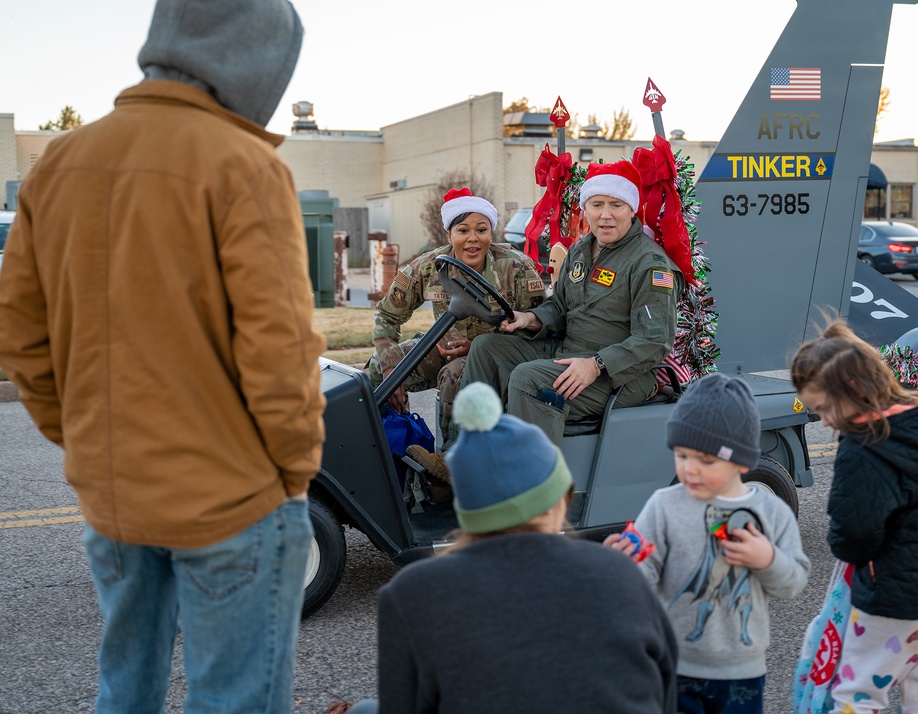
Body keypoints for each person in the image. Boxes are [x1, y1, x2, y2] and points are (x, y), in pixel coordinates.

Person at [0, 2, 326, 711]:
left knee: (124, 688)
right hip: (234, 500)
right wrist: (295, 471)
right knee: (233, 698)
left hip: (114, 493)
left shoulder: (59, 163)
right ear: (260, 60)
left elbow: (21, 337)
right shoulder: (243, 165)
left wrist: (85, 436)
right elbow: (279, 352)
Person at [348, 382, 678, 714]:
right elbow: (664, 687)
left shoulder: (409, 594)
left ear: (468, 512)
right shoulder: (620, 571)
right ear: (558, 503)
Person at [425, 160, 680, 480]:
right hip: (571, 352)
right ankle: (459, 457)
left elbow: (654, 341)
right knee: (487, 347)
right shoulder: (580, 252)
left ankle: (531, 489)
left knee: (528, 379)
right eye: (597, 204)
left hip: (621, 373)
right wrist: (530, 318)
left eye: (616, 204)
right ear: (585, 207)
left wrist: (596, 365)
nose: (605, 214)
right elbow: (559, 305)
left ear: (632, 209)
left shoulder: (649, 264)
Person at [790, 320, 918, 714]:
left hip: (895, 601)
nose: (823, 421)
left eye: (823, 408)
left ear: (852, 391)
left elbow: (855, 532)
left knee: (856, 692)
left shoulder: (865, 447)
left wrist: (844, 546)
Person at [605, 373, 810, 714]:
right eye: (682, 455)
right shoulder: (663, 505)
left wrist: (767, 559)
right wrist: (623, 565)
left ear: (743, 461)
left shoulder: (770, 513)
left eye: (707, 460)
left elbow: (795, 581)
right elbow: (645, 574)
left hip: (741, 672)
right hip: (675, 664)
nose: (691, 471)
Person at [369, 187, 545, 481]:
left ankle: (450, 464)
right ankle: (392, 452)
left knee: (454, 374)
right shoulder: (430, 266)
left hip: (495, 356)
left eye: (482, 229)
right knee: (376, 371)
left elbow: (538, 327)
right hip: (441, 347)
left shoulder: (515, 267)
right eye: (463, 230)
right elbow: (387, 315)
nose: (473, 238)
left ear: (492, 232)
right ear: (449, 234)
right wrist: (390, 370)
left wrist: (477, 345)